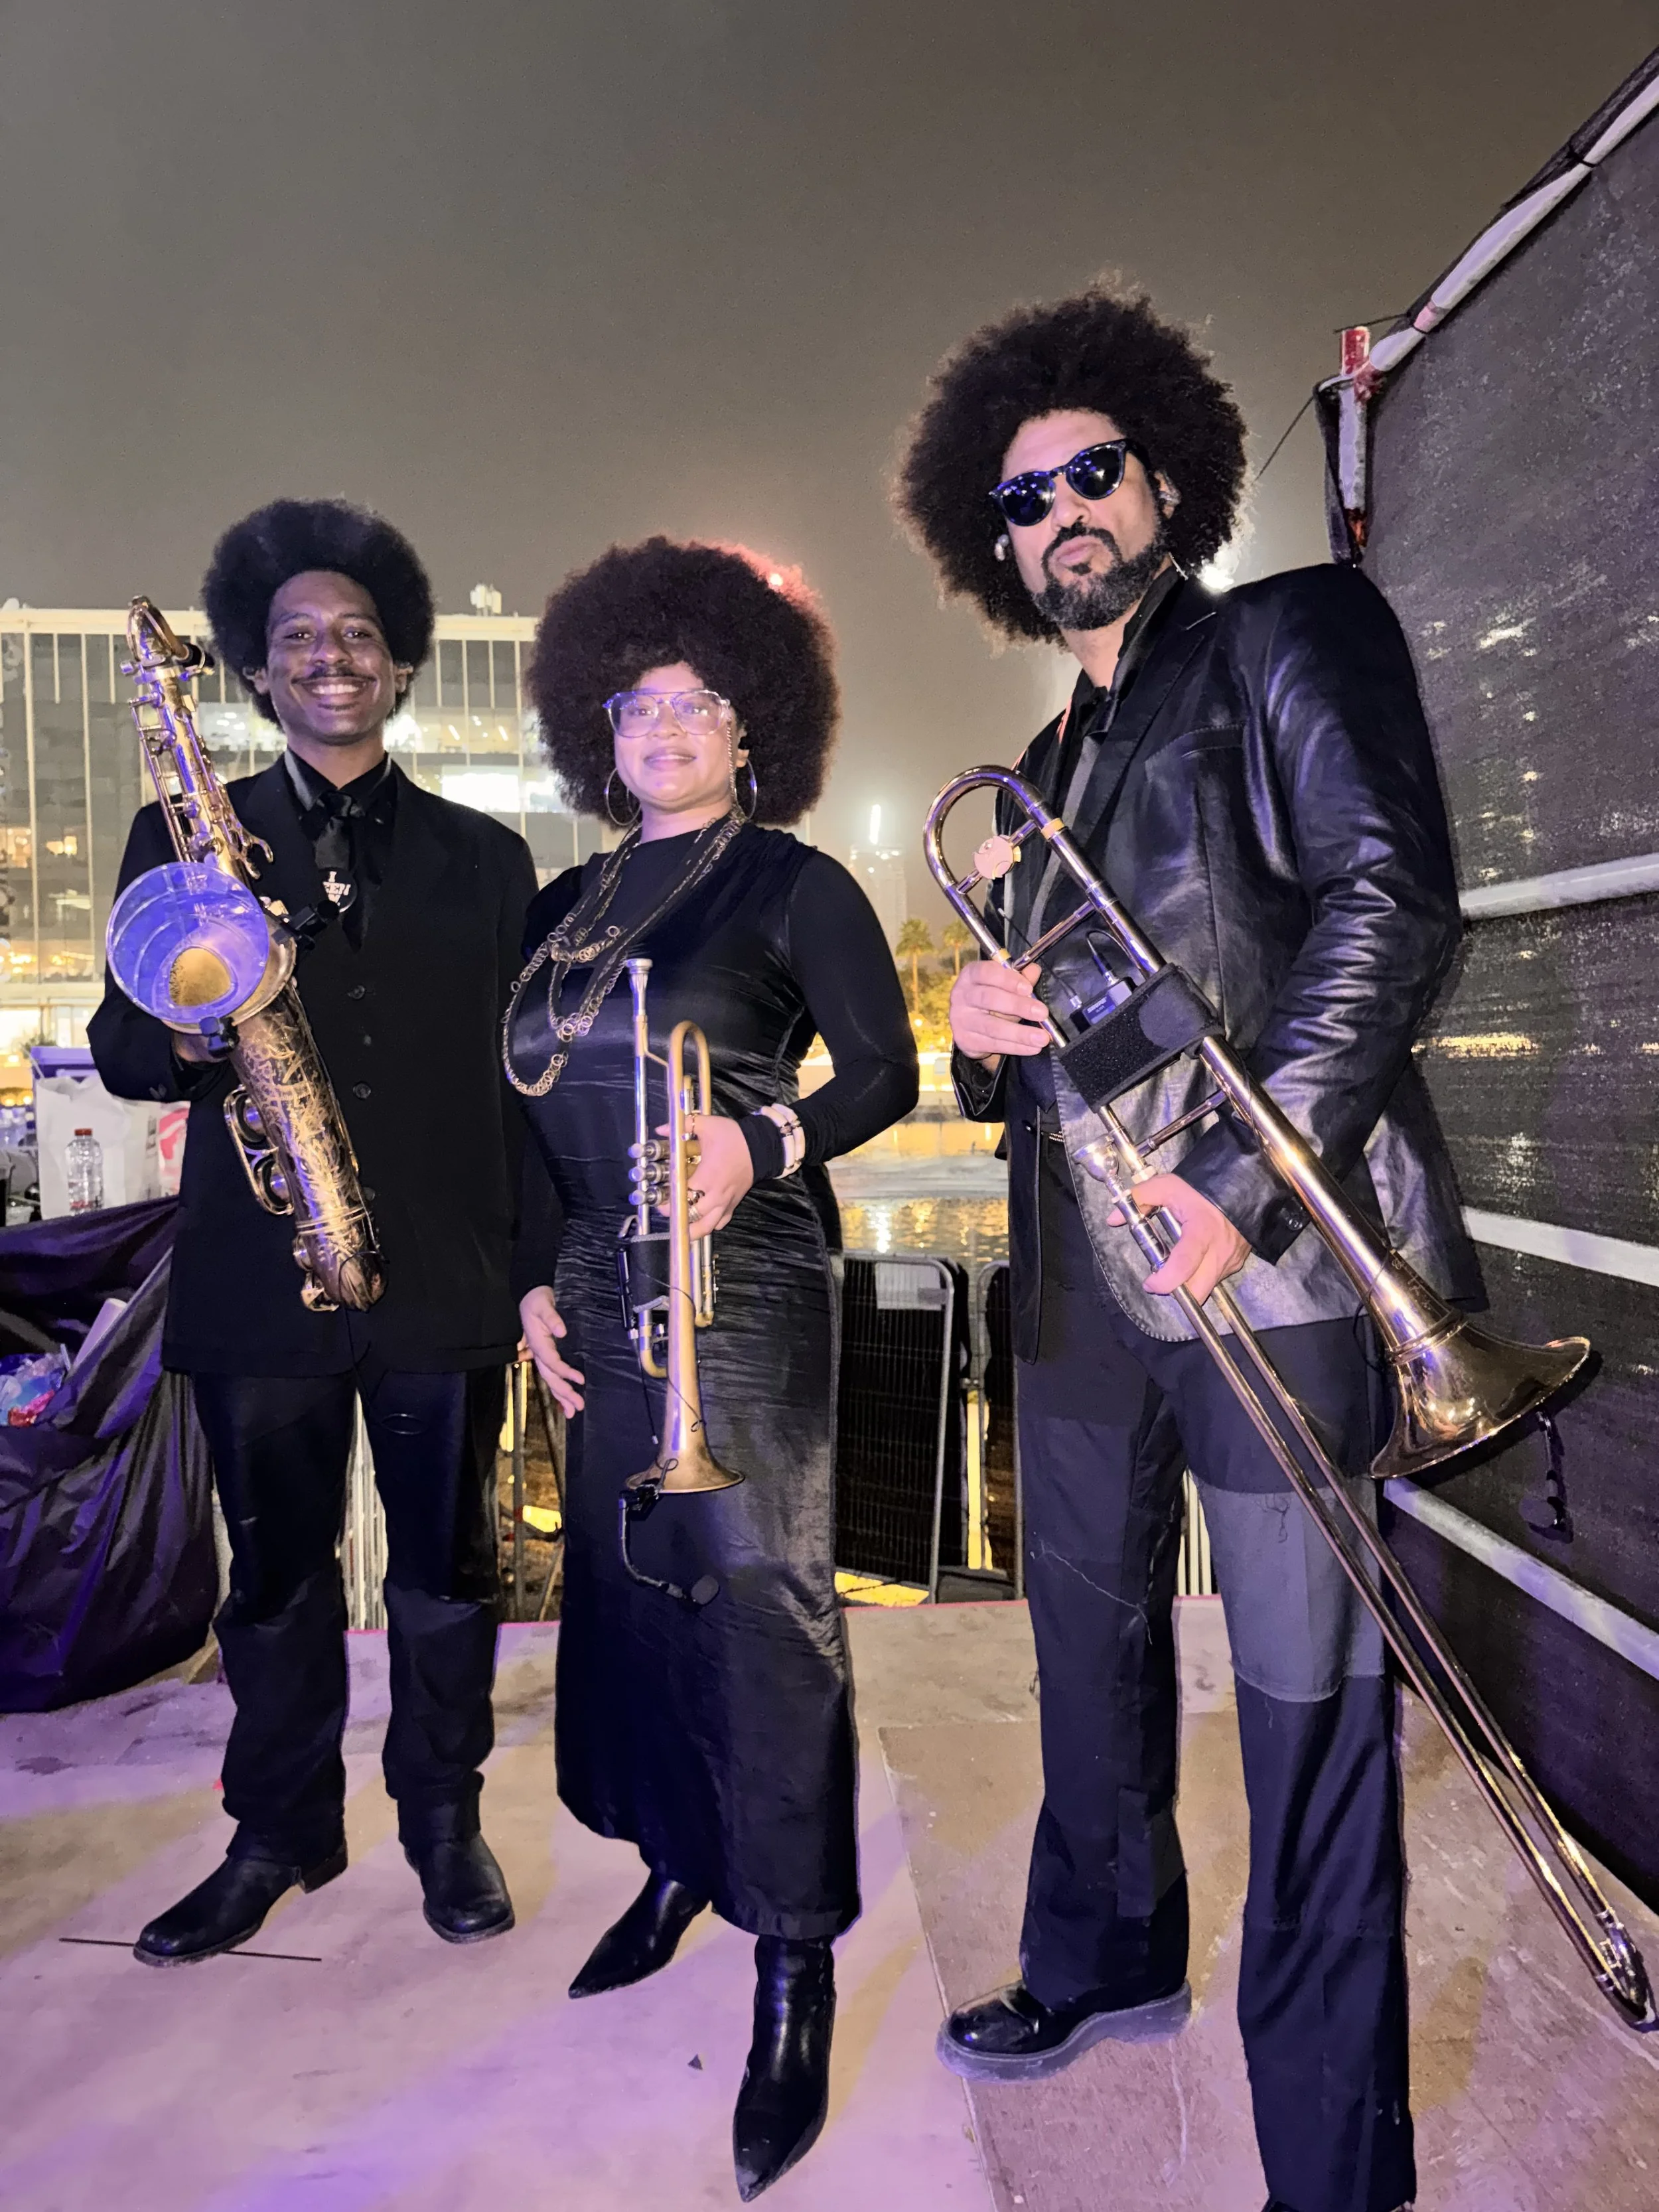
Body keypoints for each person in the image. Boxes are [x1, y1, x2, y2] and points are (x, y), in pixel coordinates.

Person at [896, 286, 1479, 2212]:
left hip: (1273, 1259)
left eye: (1088, 474)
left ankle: (1332, 2165)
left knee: (1307, 1716)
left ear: (1165, 478)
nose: (1058, 512)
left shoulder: (1285, 636)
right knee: (1085, 1651)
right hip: (1080, 1290)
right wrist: (980, 1037)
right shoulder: (1045, 765)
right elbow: (1069, 1035)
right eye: (1020, 498)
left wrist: (1238, 1173)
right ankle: (1102, 1953)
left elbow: (1389, 907)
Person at [510, 537, 916, 2201]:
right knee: (627, 1587)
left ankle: (794, 1965)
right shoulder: (563, 902)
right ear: (596, 730)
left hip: (738, 1276)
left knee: (759, 1606)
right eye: (637, 702)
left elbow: (888, 1069)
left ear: (753, 725)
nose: (665, 724)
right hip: (599, 1289)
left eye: (698, 702)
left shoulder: (793, 883)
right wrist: (542, 1276)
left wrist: (765, 1139)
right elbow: (522, 1111)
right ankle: (679, 1857)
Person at [90, 499, 537, 1963]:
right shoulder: (185, 832)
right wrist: (204, 1017)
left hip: (444, 1278)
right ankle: (278, 1829)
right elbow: (125, 1049)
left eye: (356, 634)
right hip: (258, 1278)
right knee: (274, 1578)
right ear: (256, 673)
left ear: (400, 663)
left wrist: (534, 1275)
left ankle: (439, 1818)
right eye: (296, 640)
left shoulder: (488, 859)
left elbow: (522, 1085)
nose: (329, 658)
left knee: (446, 1569)